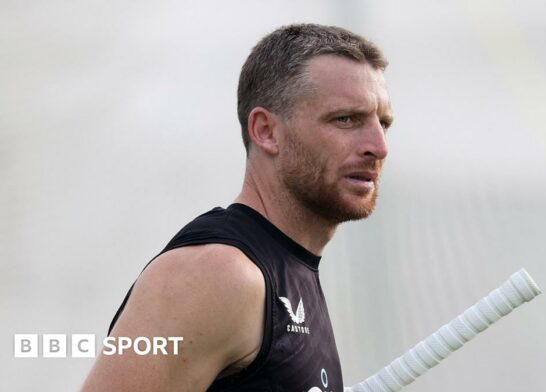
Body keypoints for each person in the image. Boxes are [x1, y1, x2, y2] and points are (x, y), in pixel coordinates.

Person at [81, 23, 393, 392]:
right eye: (346, 119)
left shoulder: (291, 272)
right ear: (266, 131)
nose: (379, 146)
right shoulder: (219, 274)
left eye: (383, 123)